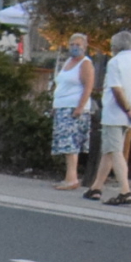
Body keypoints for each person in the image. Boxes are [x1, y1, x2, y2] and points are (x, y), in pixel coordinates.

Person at [85, 29, 131, 205]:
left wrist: (129, 109)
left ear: (115, 46)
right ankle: (96, 187)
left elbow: (116, 89)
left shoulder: (115, 62)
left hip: (115, 113)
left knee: (115, 151)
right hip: (129, 117)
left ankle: (125, 190)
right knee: (108, 150)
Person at [49, 33, 97, 189]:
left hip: (74, 108)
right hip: (62, 106)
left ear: (85, 46)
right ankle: (69, 177)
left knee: (70, 144)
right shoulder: (68, 62)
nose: (75, 47)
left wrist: (80, 107)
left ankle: (72, 178)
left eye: (78, 44)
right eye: (72, 44)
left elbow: (88, 87)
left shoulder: (85, 64)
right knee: (64, 143)